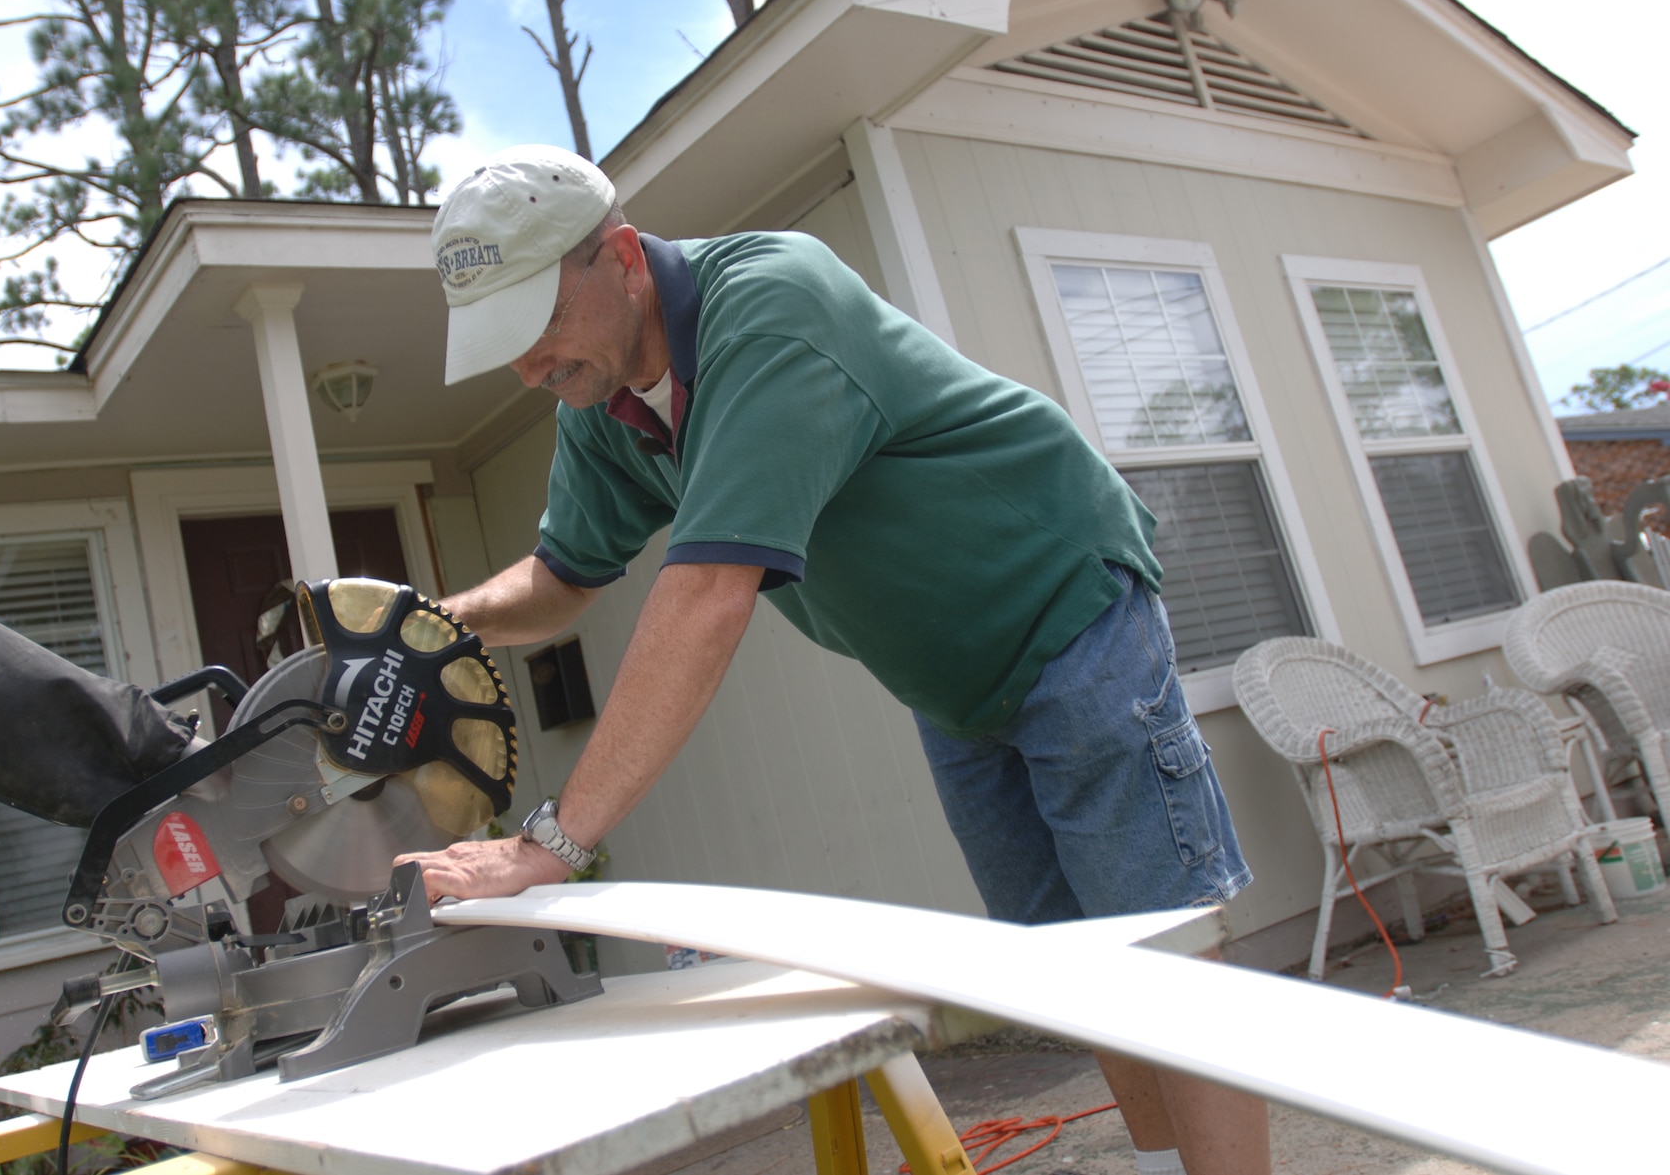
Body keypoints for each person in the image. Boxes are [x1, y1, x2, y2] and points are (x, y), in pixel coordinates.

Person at [397, 144, 1270, 1175]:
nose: (529, 366)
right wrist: (432, 630)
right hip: (949, 683)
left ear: (622, 258)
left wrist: (550, 840)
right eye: (505, 346)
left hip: (1060, 605)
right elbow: (562, 574)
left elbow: (709, 593)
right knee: (1071, 969)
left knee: (1158, 955)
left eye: (536, 326)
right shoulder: (603, 407)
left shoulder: (770, 305)